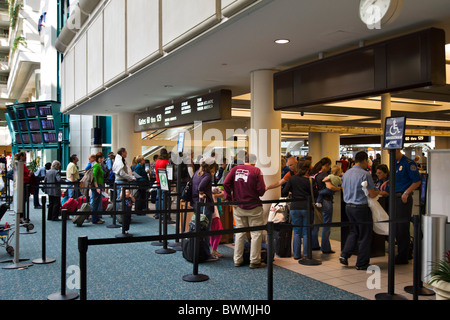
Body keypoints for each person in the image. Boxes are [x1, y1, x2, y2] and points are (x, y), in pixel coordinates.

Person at [223, 153, 266, 269]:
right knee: (256, 234)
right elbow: (261, 190)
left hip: (238, 206)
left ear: (244, 160)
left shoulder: (235, 169)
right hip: (254, 207)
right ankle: (254, 261)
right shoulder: (256, 171)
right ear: (254, 161)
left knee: (240, 233)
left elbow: (225, 183)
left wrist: (229, 198)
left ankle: (237, 259)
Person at [340, 151, 379, 270]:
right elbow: (372, 194)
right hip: (361, 208)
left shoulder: (346, 173)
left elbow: (343, 189)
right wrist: (379, 192)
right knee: (364, 235)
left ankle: (345, 254)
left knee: (353, 231)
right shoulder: (365, 174)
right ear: (364, 160)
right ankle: (361, 263)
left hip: (348, 207)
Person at [386, 149, 421, 264]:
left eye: (389, 152)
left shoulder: (408, 163)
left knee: (402, 228)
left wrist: (407, 192)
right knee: (394, 227)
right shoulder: (394, 163)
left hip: (402, 198)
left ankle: (403, 256)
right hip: (393, 198)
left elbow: (417, 181)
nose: (388, 154)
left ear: (396, 151)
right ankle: (400, 253)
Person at [281, 160, 315, 260]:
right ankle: (306, 254)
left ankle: (296, 255)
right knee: (306, 232)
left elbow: (284, 192)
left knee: (296, 232)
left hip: (295, 207)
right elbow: (315, 194)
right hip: (307, 207)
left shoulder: (292, 179)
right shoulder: (310, 180)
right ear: (308, 169)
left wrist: (292, 192)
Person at [192, 157, 218, 261]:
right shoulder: (207, 175)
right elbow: (201, 187)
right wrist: (202, 193)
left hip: (196, 204)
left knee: (198, 229)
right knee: (206, 230)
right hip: (205, 205)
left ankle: (198, 252)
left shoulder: (197, 173)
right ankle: (207, 254)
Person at [309, 157, 338, 254]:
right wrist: (338, 188)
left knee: (316, 223)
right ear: (326, 166)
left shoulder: (314, 174)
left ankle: (314, 244)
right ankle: (325, 247)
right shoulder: (325, 175)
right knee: (326, 224)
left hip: (316, 200)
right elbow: (329, 187)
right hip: (326, 201)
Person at [112, 148, 136, 233]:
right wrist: (131, 178)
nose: (127, 153)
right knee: (121, 199)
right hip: (121, 181)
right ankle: (121, 218)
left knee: (122, 199)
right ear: (122, 153)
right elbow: (121, 173)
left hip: (122, 181)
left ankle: (123, 217)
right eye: (125, 152)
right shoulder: (119, 161)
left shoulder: (121, 160)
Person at [154, 148, 170, 219]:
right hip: (164, 182)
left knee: (158, 197)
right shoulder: (167, 162)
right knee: (164, 197)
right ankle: (163, 214)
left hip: (158, 181)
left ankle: (157, 213)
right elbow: (169, 173)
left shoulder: (157, 161)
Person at [91, 152, 105, 224]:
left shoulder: (98, 165)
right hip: (97, 186)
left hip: (99, 185)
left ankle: (95, 218)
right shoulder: (96, 165)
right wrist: (97, 187)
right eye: (100, 158)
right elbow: (94, 177)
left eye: (102, 158)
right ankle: (94, 219)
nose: (102, 159)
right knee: (95, 202)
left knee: (96, 202)